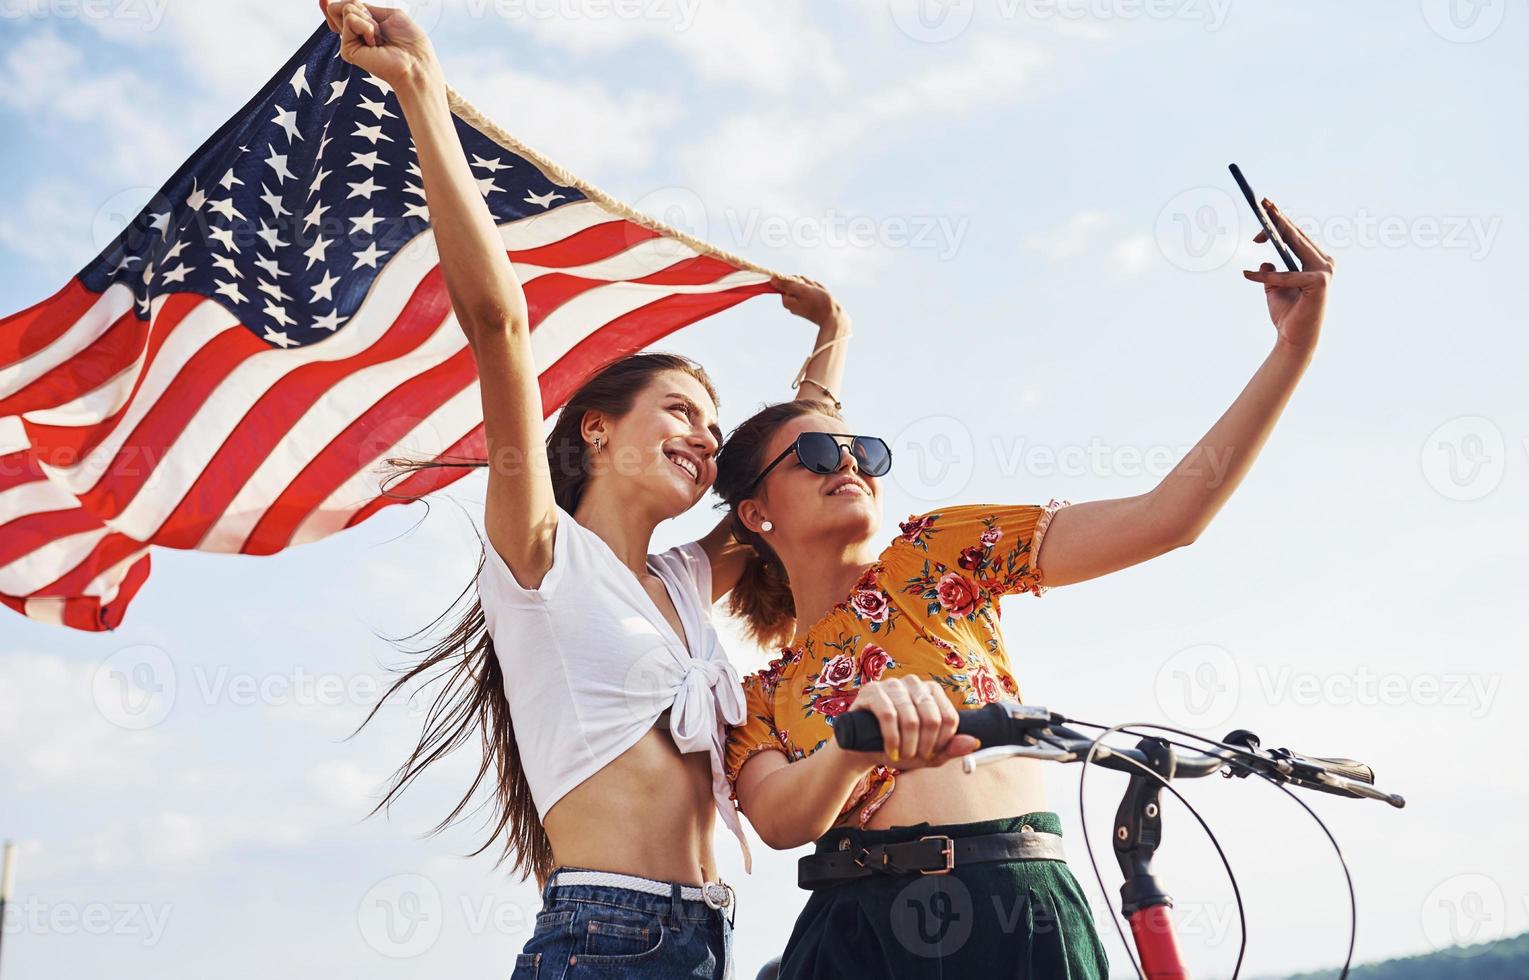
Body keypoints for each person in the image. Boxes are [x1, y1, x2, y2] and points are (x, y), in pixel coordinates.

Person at [321, 4, 853, 976]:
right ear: (596, 425)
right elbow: (499, 326)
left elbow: (794, 469)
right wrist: (422, 93)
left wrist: (830, 343)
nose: (704, 435)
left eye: (711, 418)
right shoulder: (540, 555)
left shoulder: (689, 579)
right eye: (681, 409)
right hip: (605, 939)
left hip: (703, 937)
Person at [715, 202, 1334, 976]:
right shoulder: (762, 693)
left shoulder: (937, 554)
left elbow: (1168, 517)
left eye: (863, 452)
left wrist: (1291, 350)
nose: (847, 464)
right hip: (855, 931)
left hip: (1018, 903)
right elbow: (778, 821)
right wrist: (848, 750)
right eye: (814, 452)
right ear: (755, 513)